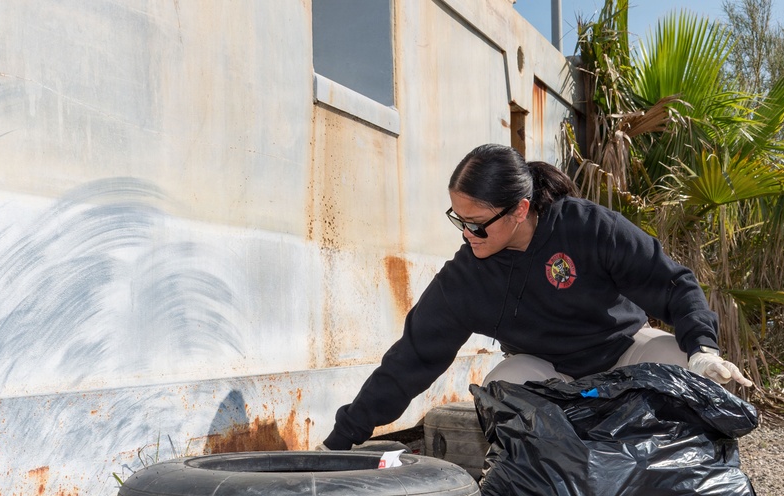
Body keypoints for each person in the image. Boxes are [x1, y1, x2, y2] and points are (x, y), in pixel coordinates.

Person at [322, 144, 752, 450]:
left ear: (520, 210)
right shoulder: (466, 277)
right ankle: (570, 479)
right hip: (555, 379)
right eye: (460, 221)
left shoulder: (588, 227)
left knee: (681, 369)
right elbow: (409, 361)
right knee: (500, 389)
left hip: (624, 355)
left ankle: (669, 473)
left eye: (478, 223)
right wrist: (341, 438)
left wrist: (702, 348)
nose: (468, 235)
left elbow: (672, 284)